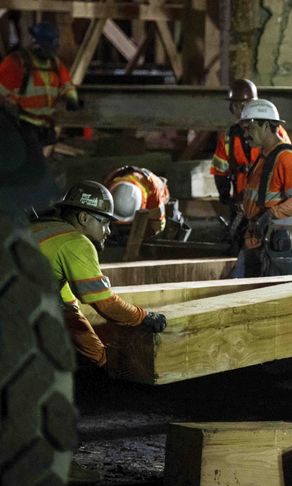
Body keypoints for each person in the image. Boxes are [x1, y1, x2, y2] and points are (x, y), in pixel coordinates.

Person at [31, 181, 168, 368]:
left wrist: (99, 357)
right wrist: (143, 317)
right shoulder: (76, 242)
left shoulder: (43, 228)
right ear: (83, 218)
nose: (108, 231)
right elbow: (106, 304)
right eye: (104, 222)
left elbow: (64, 305)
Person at [234, 99, 292, 277]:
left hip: (276, 243)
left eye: (250, 128)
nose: (245, 134)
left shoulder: (287, 157)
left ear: (266, 126)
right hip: (256, 240)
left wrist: (270, 215)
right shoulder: (264, 156)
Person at [211, 79, 291, 248]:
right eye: (236, 106)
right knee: (239, 244)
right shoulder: (229, 137)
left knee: (270, 245)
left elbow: (285, 167)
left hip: (269, 205)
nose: (240, 111)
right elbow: (220, 170)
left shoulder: (273, 132)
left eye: (244, 105)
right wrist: (226, 198)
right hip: (241, 204)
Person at [0, 21, 80, 150]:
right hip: (22, 123)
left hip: (44, 125)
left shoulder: (54, 63)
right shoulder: (17, 62)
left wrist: (72, 98)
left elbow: (67, 84)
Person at [104, 165, 171, 238]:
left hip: (159, 194)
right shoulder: (110, 182)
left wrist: (144, 236)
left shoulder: (154, 195)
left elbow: (158, 225)